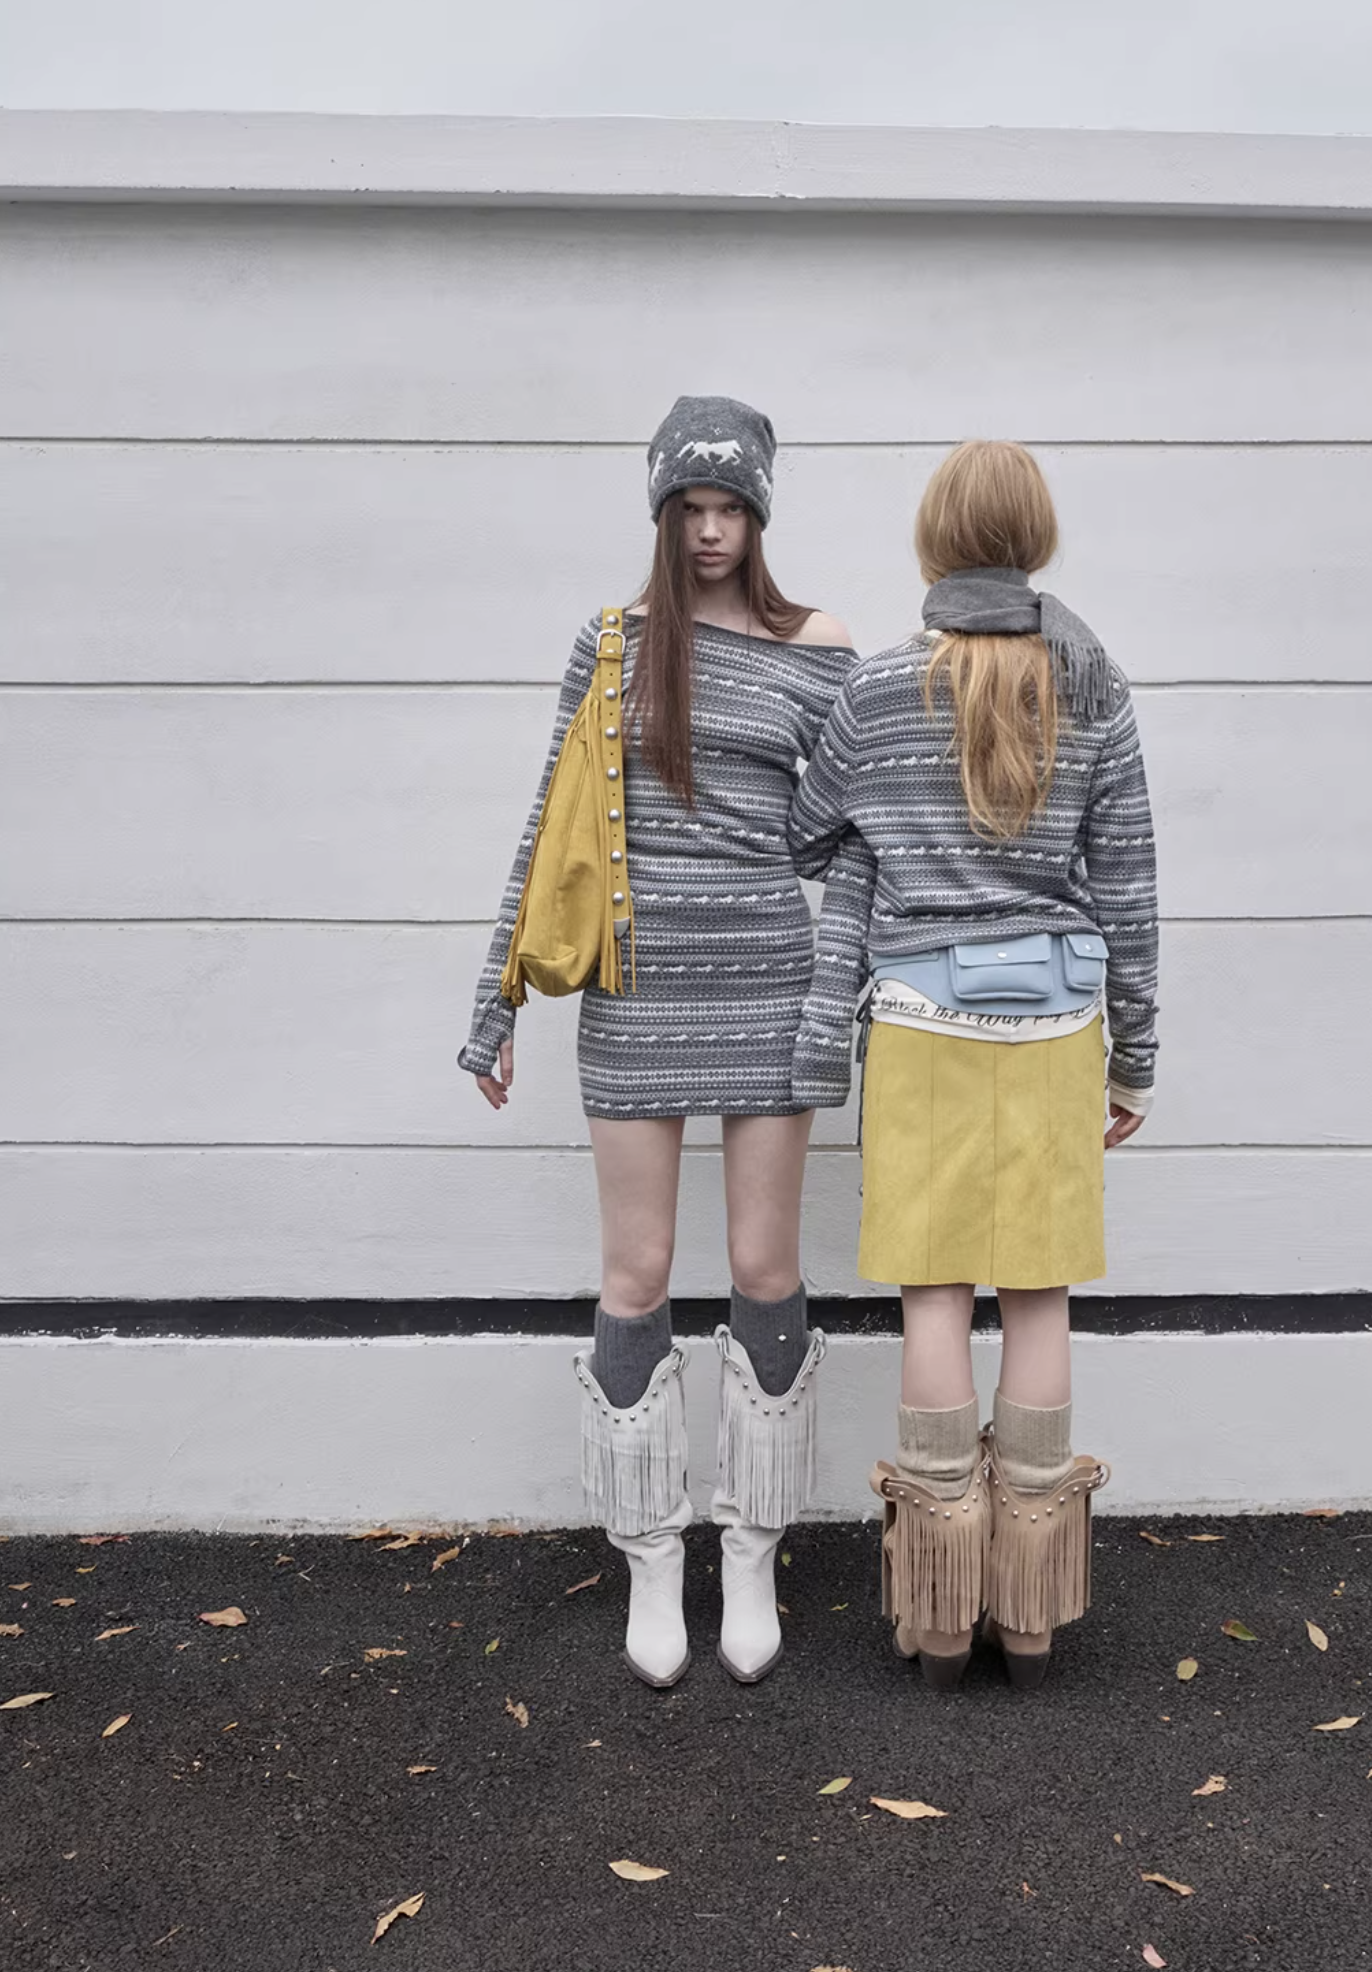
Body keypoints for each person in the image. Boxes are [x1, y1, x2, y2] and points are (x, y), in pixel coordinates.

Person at [459, 396, 854, 1689]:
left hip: (769, 984)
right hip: (633, 992)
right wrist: (496, 1001)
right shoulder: (613, 644)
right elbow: (549, 822)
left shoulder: (819, 649)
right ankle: (648, 1555)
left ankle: (751, 1552)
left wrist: (857, 990)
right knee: (634, 1273)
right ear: (662, 514)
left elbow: (846, 841)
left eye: (732, 508)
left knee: (763, 1267)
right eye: (691, 508)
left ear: (760, 516)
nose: (711, 530)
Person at [786, 439, 1160, 1691]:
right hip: (1054, 1034)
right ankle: (1034, 1619)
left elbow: (807, 832)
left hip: (920, 1029)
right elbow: (1128, 885)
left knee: (935, 1298)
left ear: (932, 539)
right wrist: (1134, 1056)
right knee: (1039, 1297)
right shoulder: (1091, 682)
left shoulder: (878, 690)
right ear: (1035, 539)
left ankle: (941, 1621)